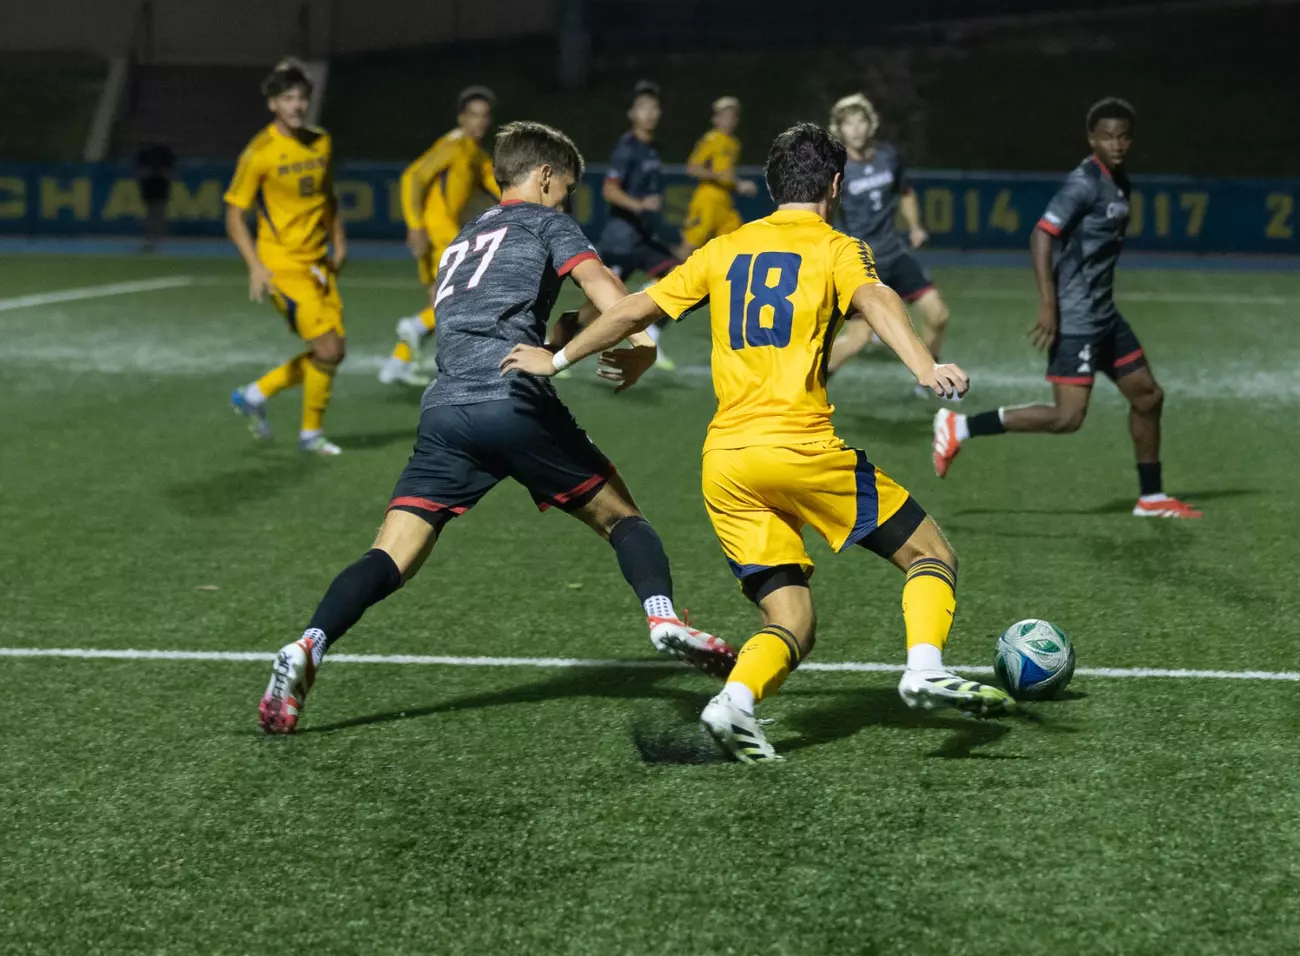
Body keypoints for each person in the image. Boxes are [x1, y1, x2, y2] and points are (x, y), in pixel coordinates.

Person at [504, 121, 1016, 764]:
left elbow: (634, 309)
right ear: (835, 184)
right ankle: (923, 667)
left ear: (772, 186)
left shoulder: (724, 248)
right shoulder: (837, 246)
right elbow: (877, 298)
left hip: (726, 465)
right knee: (930, 554)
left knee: (792, 619)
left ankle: (733, 704)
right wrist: (923, 366)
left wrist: (559, 359)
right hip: (797, 447)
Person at [259, 121, 735, 734]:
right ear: (542, 178)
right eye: (564, 187)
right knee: (623, 519)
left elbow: (507, 320)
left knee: (391, 553)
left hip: (445, 411)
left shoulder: (463, 240)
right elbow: (617, 300)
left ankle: (309, 645)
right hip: (513, 400)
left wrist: (565, 331)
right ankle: (665, 617)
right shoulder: (549, 224)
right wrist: (637, 345)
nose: (566, 200)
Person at [932, 98, 1201, 519]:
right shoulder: (1084, 183)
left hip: (1104, 315)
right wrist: (1049, 305)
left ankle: (1151, 498)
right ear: (1091, 139)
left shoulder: (1119, 180)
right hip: (1076, 318)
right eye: (1107, 136)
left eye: (1124, 136)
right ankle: (959, 426)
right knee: (1067, 418)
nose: (1117, 144)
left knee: (1148, 396)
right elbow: (1042, 235)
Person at [225, 59, 346, 456]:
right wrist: (256, 266)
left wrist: (338, 241)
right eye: (288, 99)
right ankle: (309, 434)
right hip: (283, 267)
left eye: (301, 98)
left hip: (318, 263)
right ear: (273, 105)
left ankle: (256, 395)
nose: (296, 106)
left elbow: (327, 196)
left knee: (332, 351)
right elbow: (234, 214)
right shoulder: (258, 153)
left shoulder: (321, 141)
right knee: (328, 350)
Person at [823, 93, 949, 385]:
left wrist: (916, 226)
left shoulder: (888, 156)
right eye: (848, 123)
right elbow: (823, 209)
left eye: (860, 121)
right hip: (861, 263)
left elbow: (904, 192)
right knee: (858, 340)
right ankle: (810, 384)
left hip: (893, 253)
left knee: (938, 316)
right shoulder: (835, 169)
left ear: (872, 124)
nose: (855, 129)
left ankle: (929, 378)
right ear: (839, 129)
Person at [380, 86, 502, 387]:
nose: (479, 122)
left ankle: (397, 363)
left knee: (440, 300)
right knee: (461, 299)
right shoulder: (453, 145)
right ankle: (415, 326)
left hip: (441, 234)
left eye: (484, 116)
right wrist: (415, 225)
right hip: (439, 234)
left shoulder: (474, 152)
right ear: (461, 117)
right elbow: (412, 176)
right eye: (473, 115)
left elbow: (496, 184)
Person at [598, 80, 677, 369]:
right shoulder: (627, 148)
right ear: (632, 114)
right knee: (597, 307)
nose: (650, 113)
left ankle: (651, 335)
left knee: (679, 276)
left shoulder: (652, 149)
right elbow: (609, 189)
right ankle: (552, 345)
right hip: (620, 240)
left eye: (654, 108)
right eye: (643, 108)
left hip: (641, 239)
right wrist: (640, 205)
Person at [680, 96, 757, 253]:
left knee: (734, 238)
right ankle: (664, 275)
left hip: (724, 199)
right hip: (707, 196)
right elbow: (693, 168)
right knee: (693, 241)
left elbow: (726, 173)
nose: (728, 120)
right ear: (715, 118)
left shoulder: (733, 143)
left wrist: (738, 184)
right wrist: (721, 177)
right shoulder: (711, 139)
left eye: (732, 116)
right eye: (723, 115)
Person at [135, 142, 175, 253]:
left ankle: (156, 237)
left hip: (157, 193)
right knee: (154, 214)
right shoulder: (154, 173)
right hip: (154, 193)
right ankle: (153, 236)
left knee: (156, 214)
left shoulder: (154, 173)